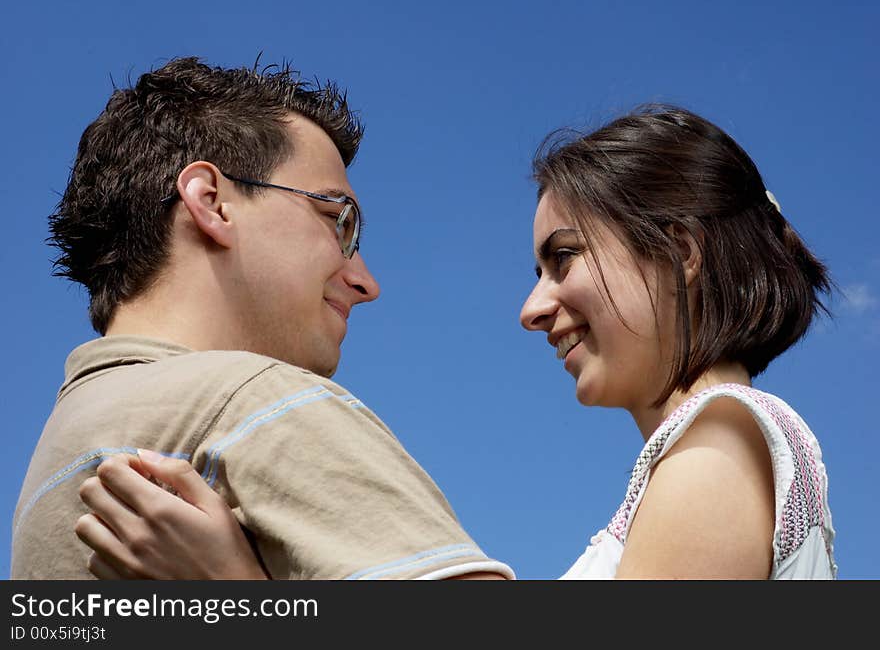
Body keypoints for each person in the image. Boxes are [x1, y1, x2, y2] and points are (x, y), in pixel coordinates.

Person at [75, 105, 837, 579]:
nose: (533, 308)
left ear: (681, 252)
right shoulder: (714, 451)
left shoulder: (718, 443)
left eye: (563, 258)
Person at [11, 57, 513, 580]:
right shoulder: (254, 403)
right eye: (338, 220)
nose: (366, 281)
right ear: (211, 203)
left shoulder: (53, 469)